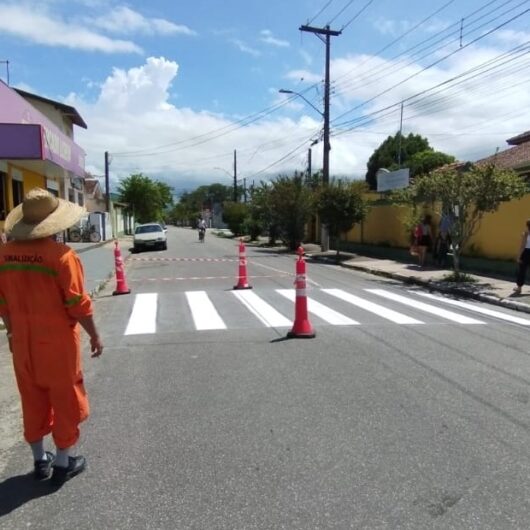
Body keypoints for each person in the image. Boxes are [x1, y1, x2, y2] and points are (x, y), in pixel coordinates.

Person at [0, 188, 103, 485]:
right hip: (57, 345)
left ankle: (38, 460)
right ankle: (63, 462)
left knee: (31, 399)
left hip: (23, 344)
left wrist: (12, 332)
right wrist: (95, 335)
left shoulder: (4, 256)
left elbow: (3, 303)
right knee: (65, 399)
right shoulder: (61, 256)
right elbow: (77, 304)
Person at [513, 219, 530, 295]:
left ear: (527, 225)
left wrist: (519, 256)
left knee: (522, 270)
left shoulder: (526, 234)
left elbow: (523, 246)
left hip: (526, 252)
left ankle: (519, 288)